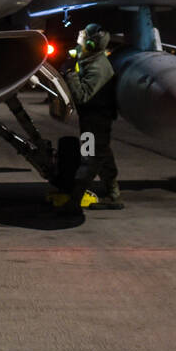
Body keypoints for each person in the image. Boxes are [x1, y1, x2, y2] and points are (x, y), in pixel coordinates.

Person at [63, 23, 123, 211]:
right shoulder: (90, 61)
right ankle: (113, 196)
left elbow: (82, 96)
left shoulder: (98, 68)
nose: (79, 35)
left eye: (83, 34)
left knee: (89, 158)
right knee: (103, 155)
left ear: (90, 43)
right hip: (94, 120)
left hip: (95, 122)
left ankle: (73, 202)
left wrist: (71, 74)